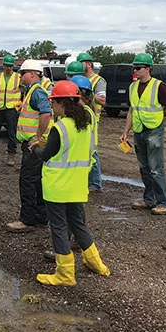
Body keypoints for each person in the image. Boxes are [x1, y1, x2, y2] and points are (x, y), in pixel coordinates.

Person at [35, 80, 110, 286]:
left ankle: (65, 274)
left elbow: (45, 155)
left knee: (59, 228)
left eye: (53, 103)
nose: (52, 107)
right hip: (77, 185)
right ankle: (96, 264)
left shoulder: (60, 128)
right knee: (79, 225)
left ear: (61, 103)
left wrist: (34, 147)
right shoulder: (86, 122)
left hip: (57, 187)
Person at [120, 53, 166, 215]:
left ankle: (164, 202)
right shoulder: (132, 87)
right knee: (144, 168)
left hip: (154, 130)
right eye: (134, 68)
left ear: (148, 69)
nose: (135, 71)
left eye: (138, 68)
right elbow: (132, 110)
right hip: (139, 130)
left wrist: (156, 117)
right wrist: (125, 132)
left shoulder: (159, 86)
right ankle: (149, 199)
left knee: (156, 169)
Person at [6, 59, 53, 232]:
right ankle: (41, 217)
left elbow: (46, 114)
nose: (20, 76)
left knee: (27, 180)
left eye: (22, 73)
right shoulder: (33, 91)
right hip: (38, 144)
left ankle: (27, 220)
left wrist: (37, 137)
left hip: (34, 145)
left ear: (32, 73)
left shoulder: (36, 91)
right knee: (39, 181)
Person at [78, 53, 106, 192]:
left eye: (81, 62)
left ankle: (95, 184)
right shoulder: (81, 79)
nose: (79, 65)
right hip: (81, 118)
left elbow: (102, 100)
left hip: (93, 119)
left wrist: (87, 94)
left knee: (92, 151)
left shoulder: (98, 81)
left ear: (89, 64)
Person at [0, 55, 21, 167]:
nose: (8, 68)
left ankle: (11, 155)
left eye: (10, 66)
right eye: (6, 66)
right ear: (3, 65)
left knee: (12, 133)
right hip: (0, 107)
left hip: (12, 108)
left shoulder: (18, 77)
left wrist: (19, 104)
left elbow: (24, 92)